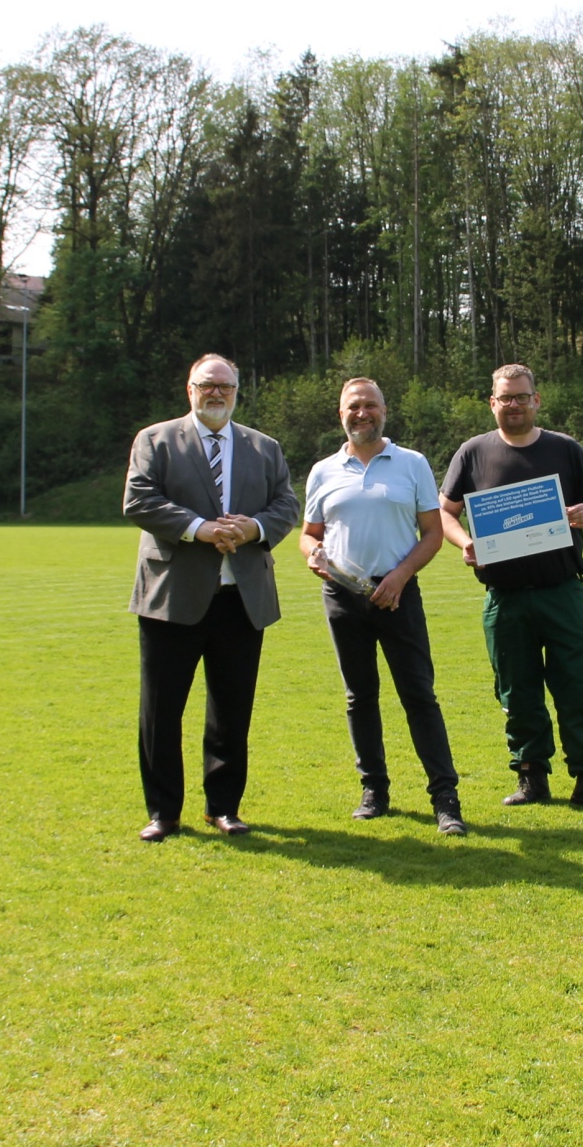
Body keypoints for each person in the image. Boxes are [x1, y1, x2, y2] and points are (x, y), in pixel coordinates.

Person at [123, 353, 298, 841]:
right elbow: (139, 499)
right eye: (207, 385)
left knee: (232, 709)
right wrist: (200, 529)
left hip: (240, 597)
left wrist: (252, 528)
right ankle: (163, 813)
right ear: (190, 389)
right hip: (171, 595)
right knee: (161, 710)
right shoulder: (155, 440)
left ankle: (223, 807)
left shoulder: (264, 447)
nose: (216, 393)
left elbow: (286, 503)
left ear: (237, 391)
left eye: (225, 386)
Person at [439, 363, 583, 814]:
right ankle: (531, 778)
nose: (514, 405)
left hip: (561, 590)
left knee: (579, 685)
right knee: (516, 689)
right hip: (504, 599)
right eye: (506, 398)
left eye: (522, 397)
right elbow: (445, 511)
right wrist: (465, 542)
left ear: (536, 400)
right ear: (492, 403)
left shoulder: (564, 448)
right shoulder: (473, 453)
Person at [300, 378, 467, 837]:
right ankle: (374, 790)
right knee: (360, 697)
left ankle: (445, 798)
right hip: (342, 595)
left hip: (397, 594)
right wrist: (311, 553)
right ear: (341, 414)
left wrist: (401, 576)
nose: (362, 413)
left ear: (384, 411)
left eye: (370, 405)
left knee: (419, 696)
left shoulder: (411, 464)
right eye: (353, 407)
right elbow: (310, 533)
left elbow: (433, 533)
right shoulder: (323, 471)